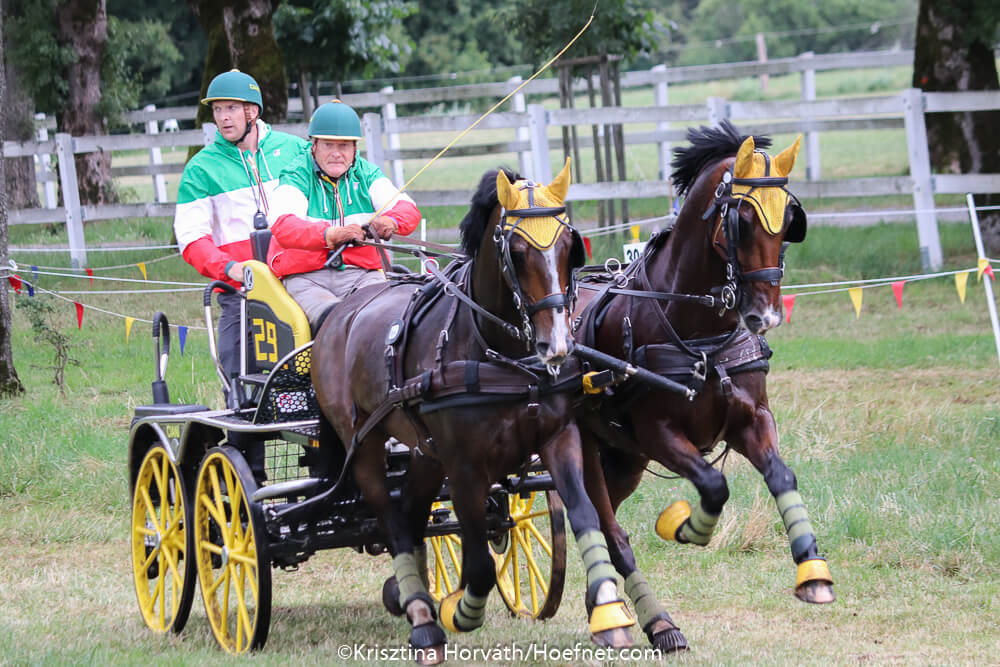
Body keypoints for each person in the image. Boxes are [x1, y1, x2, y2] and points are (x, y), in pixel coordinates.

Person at [173, 69, 308, 384]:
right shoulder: (200, 168)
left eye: (231, 108)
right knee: (235, 373)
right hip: (241, 292)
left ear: (252, 111)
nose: (223, 117)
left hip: (301, 281)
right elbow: (191, 239)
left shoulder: (296, 150)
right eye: (217, 109)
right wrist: (229, 268)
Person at [266, 101, 420, 329]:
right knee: (337, 321)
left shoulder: (367, 173)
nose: (337, 154)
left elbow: (408, 209)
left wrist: (391, 222)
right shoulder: (296, 174)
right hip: (306, 277)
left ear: (355, 149)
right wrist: (330, 235)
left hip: (363, 274)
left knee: (387, 317)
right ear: (314, 146)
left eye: (344, 146)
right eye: (328, 145)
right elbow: (283, 225)